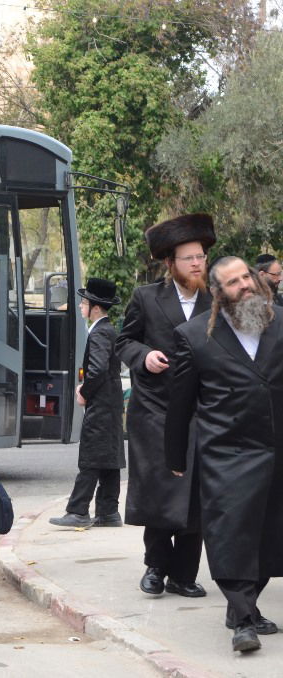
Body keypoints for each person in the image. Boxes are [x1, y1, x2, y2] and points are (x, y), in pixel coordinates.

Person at [165, 256, 283, 654]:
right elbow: (180, 403)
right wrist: (175, 457)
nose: (245, 286)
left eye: (246, 277)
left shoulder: (280, 322)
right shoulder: (194, 336)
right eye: (233, 283)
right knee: (231, 535)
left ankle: (241, 607)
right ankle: (244, 622)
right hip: (226, 452)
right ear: (217, 293)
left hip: (276, 448)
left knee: (269, 536)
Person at [115, 213, 214, 598]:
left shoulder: (216, 300)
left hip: (202, 412)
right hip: (155, 410)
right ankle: (156, 567)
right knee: (157, 491)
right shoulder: (146, 297)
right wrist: (145, 356)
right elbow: (124, 342)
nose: (196, 263)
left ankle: (184, 574)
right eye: (188, 257)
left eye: (200, 257)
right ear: (169, 263)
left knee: (195, 497)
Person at [50, 278, 125, 528]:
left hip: (101, 403)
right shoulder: (108, 329)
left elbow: (98, 369)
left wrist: (85, 392)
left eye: (84, 302)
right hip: (111, 403)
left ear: (95, 307)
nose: (81, 306)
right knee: (108, 458)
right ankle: (108, 512)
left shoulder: (100, 332)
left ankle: (78, 510)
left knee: (92, 458)